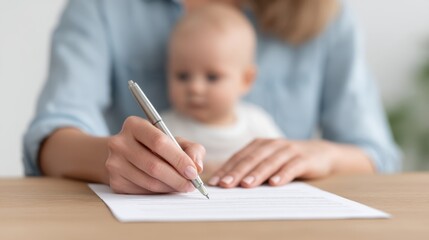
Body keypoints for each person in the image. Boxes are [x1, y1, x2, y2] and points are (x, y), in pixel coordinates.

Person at [23, 0, 401, 194]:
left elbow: (376, 153)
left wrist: (323, 153)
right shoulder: (104, 7)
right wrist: (112, 157)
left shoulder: (325, 13)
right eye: (183, 75)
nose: (195, 88)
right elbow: (52, 135)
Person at [162, 3, 284, 181]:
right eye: (182, 76)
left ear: (246, 80)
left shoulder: (258, 123)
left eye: (212, 77)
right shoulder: (166, 130)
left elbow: (281, 162)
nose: (194, 87)